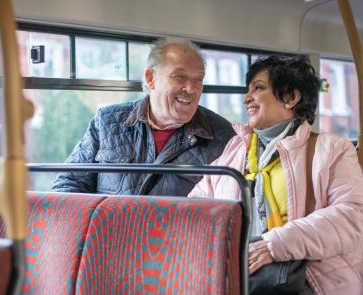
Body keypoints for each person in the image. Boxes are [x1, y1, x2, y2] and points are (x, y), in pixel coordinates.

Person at [189, 56, 363, 295]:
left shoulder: (331, 149)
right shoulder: (237, 149)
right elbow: (197, 206)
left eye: (258, 88)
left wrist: (274, 245)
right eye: (248, 90)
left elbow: (352, 217)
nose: (247, 98)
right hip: (241, 271)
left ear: (291, 98)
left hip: (311, 277)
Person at [51, 37, 235, 196]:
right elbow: (68, 185)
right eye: (180, 77)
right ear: (150, 78)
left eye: (198, 80)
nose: (191, 89)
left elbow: (231, 211)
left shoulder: (223, 137)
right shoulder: (107, 122)